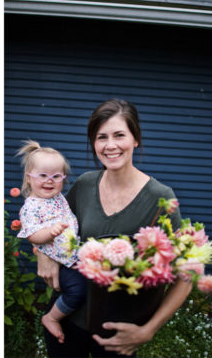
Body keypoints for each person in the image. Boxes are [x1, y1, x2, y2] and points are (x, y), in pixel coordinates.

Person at [36, 99, 189, 357]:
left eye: (119, 135)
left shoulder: (160, 198)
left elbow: (185, 274)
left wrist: (149, 329)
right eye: (101, 137)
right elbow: (47, 222)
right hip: (67, 320)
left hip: (118, 334)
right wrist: (42, 253)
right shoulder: (84, 185)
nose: (110, 145)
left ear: (135, 139)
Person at [15, 140, 84, 344]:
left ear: (63, 178)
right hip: (60, 263)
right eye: (42, 176)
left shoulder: (58, 198)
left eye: (56, 176)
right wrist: (50, 233)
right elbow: (33, 236)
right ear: (29, 178)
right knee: (78, 290)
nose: (49, 181)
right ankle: (51, 318)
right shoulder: (31, 207)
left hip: (72, 256)